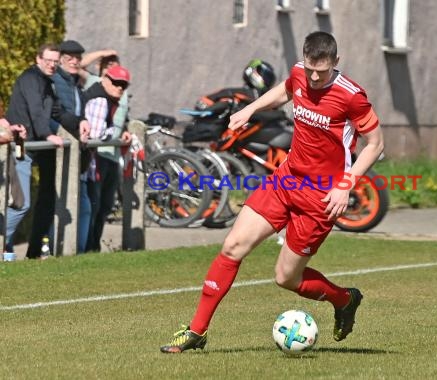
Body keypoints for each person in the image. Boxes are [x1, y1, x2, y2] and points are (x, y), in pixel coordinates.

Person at [160, 31, 384, 353]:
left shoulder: (352, 96)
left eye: (322, 71)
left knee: (286, 278)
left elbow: (376, 144)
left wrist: (345, 186)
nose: (315, 77)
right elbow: (285, 91)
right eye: (310, 70)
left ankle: (345, 299)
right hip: (286, 180)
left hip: (320, 197)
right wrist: (250, 109)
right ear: (304, 60)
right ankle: (197, 331)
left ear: (336, 61)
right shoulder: (299, 74)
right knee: (233, 246)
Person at [4, 43, 89, 258]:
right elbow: (36, 111)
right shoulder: (31, 79)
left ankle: (29, 253)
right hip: (21, 146)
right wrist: (47, 135)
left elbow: (58, 113)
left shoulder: (47, 83)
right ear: (38, 59)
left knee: (47, 199)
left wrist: (81, 121)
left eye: (54, 61)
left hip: (35, 147)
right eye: (48, 61)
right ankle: (5, 245)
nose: (51, 65)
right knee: (21, 204)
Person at [82, 65, 132, 252]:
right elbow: (96, 134)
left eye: (124, 85)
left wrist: (122, 133)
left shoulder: (110, 99)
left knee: (104, 205)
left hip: (105, 157)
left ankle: (93, 246)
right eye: (117, 83)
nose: (120, 88)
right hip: (95, 159)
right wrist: (116, 134)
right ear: (105, 80)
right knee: (96, 205)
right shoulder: (100, 100)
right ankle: (88, 247)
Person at [51, 39, 92, 253]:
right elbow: (58, 114)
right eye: (70, 58)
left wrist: (83, 121)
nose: (74, 62)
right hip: (62, 148)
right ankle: (56, 250)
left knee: (83, 206)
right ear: (61, 59)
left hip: (77, 149)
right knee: (61, 204)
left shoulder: (74, 83)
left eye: (78, 58)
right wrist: (78, 125)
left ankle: (78, 251)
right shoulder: (57, 81)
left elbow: (77, 112)